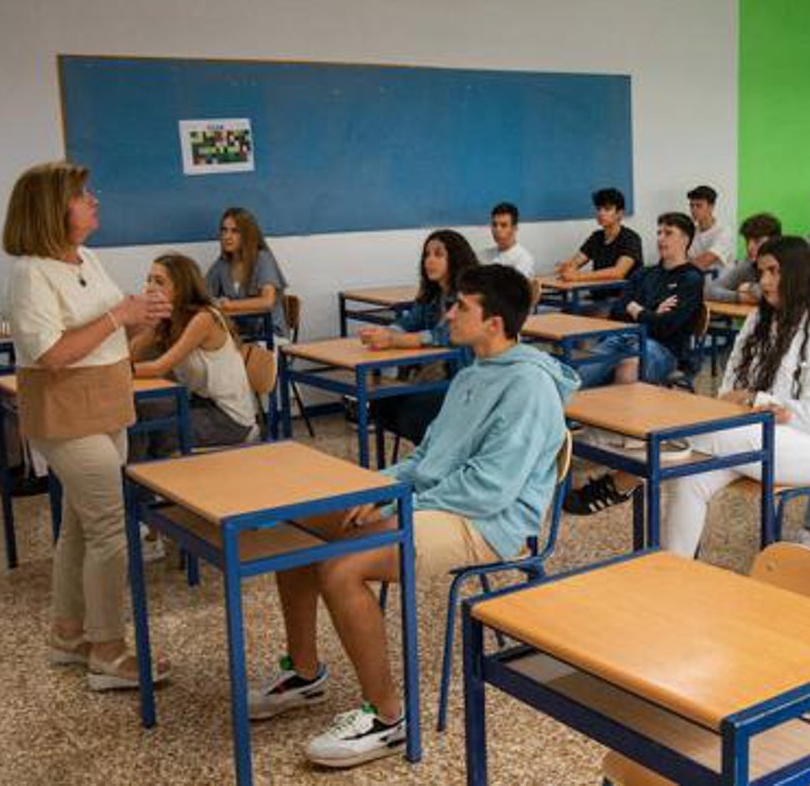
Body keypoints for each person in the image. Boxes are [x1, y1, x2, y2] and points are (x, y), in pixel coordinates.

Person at [246, 265, 578, 769]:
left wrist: (400, 503)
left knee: (343, 566)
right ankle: (306, 673)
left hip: (487, 524)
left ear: (494, 323)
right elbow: (427, 458)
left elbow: (489, 490)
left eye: (460, 306)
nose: (448, 313)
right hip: (442, 501)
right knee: (303, 522)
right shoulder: (473, 373)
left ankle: (386, 719)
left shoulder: (529, 387)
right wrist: (380, 486)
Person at [3, 161, 171, 690]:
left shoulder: (87, 258)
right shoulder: (31, 272)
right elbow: (51, 354)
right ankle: (107, 650)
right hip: (64, 411)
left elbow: (108, 329)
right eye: (82, 195)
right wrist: (120, 316)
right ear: (54, 209)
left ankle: (68, 635)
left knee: (78, 526)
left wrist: (144, 316)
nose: (93, 200)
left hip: (104, 401)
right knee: (109, 531)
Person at [660, 236, 810, 557]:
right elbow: (728, 392)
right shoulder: (757, 319)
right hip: (749, 434)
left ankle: (647, 456)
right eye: (761, 271)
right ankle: (673, 571)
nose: (763, 282)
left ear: (796, 274)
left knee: (695, 439)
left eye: (773, 272)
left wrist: (756, 400)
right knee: (688, 478)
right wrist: (758, 403)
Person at [564, 212, 705, 515]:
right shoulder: (645, 274)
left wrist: (639, 309)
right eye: (659, 231)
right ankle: (566, 439)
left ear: (685, 239)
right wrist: (649, 311)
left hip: (663, 349)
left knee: (628, 365)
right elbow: (616, 309)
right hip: (626, 336)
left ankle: (612, 445)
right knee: (579, 372)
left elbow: (669, 327)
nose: (661, 238)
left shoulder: (691, 278)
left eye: (668, 232)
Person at [129, 253, 258, 459]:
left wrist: (114, 372)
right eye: (149, 280)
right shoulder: (169, 318)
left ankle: (145, 485)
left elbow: (159, 367)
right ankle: (136, 483)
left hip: (229, 418)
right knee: (138, 412)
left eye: (159, 282)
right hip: (199, 405)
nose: (150, 288)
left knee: (155, 431)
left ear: (181, 288)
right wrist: (150, 326)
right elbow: (132, 355)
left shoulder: (204, 318)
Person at [362, 230, 478, 447]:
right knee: (381, 403)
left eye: (438, 255)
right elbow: (409, 322)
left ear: (455, 258)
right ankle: (423, 456)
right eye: (427, 255)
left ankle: (433, 455)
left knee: (414, 411)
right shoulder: (432, 296)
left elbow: (443, 336)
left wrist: (394, 340)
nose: (429, 261)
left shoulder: (469, 295)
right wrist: (386, 333)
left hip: (462, 379)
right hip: (430, 376)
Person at [205, 207, 289, 339]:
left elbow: (267, 301)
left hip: (269, 335)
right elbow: (203, 294)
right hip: (242, 336)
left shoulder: (262, 259)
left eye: (235, 231)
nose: (227, 236)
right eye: (224, 230)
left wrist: (229, 305)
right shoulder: (222, 264)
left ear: (247, 234)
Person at [555, 187, 643, 283]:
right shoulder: (596, 237)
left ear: (619, 213)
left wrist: (577, 276)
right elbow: (575, 263)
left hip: (625, 296)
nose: (601, 213)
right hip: (598, 295)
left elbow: (618, 272)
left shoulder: (631, 238)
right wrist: (567, 267)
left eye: (607, 209)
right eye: (598, 209)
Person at [705, 212, 783, 304]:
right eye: (747, 241)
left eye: (757, 241)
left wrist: (749, 287)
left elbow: (782, 295)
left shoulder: (789, 264)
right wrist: (739, 297)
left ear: (775, 241)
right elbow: (708, 291)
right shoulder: (747, 266)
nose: (749, 247)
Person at [686, 185, 735, 273]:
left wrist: (679, 268)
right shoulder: (691, 231)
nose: (693, 210)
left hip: (721, 283)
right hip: (697, 281)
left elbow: (703, 262)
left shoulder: (724, 232)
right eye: (691, 206)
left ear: (711, 207)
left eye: (698, 206)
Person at [481, 201, 534, 277]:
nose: (497, 230)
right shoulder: (484, 255)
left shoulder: (523, 259)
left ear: (514, 228)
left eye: (503, 225)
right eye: (494, 225)